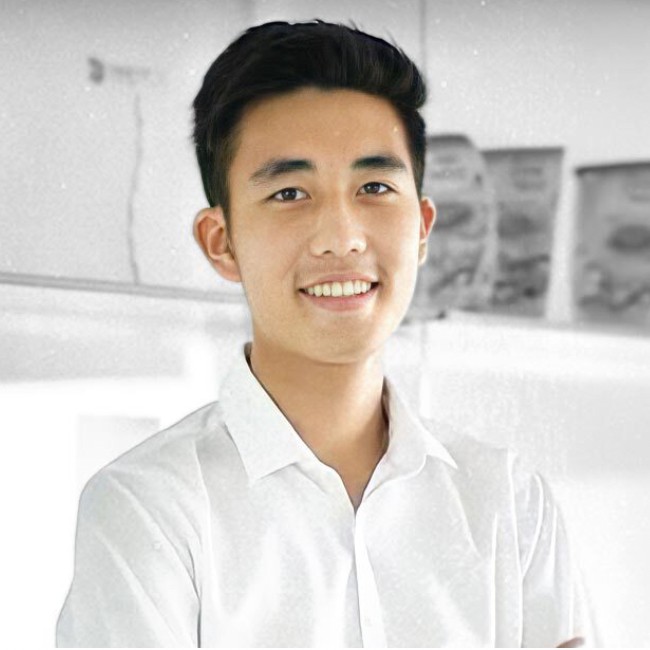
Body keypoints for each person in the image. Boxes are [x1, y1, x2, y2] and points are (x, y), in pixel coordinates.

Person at [56, 19, 593, 647]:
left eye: (374, 187)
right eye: (290, 193)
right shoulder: (148, 506)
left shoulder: (509, 500)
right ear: (221, 242)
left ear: (422, 227)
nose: (342, 237)